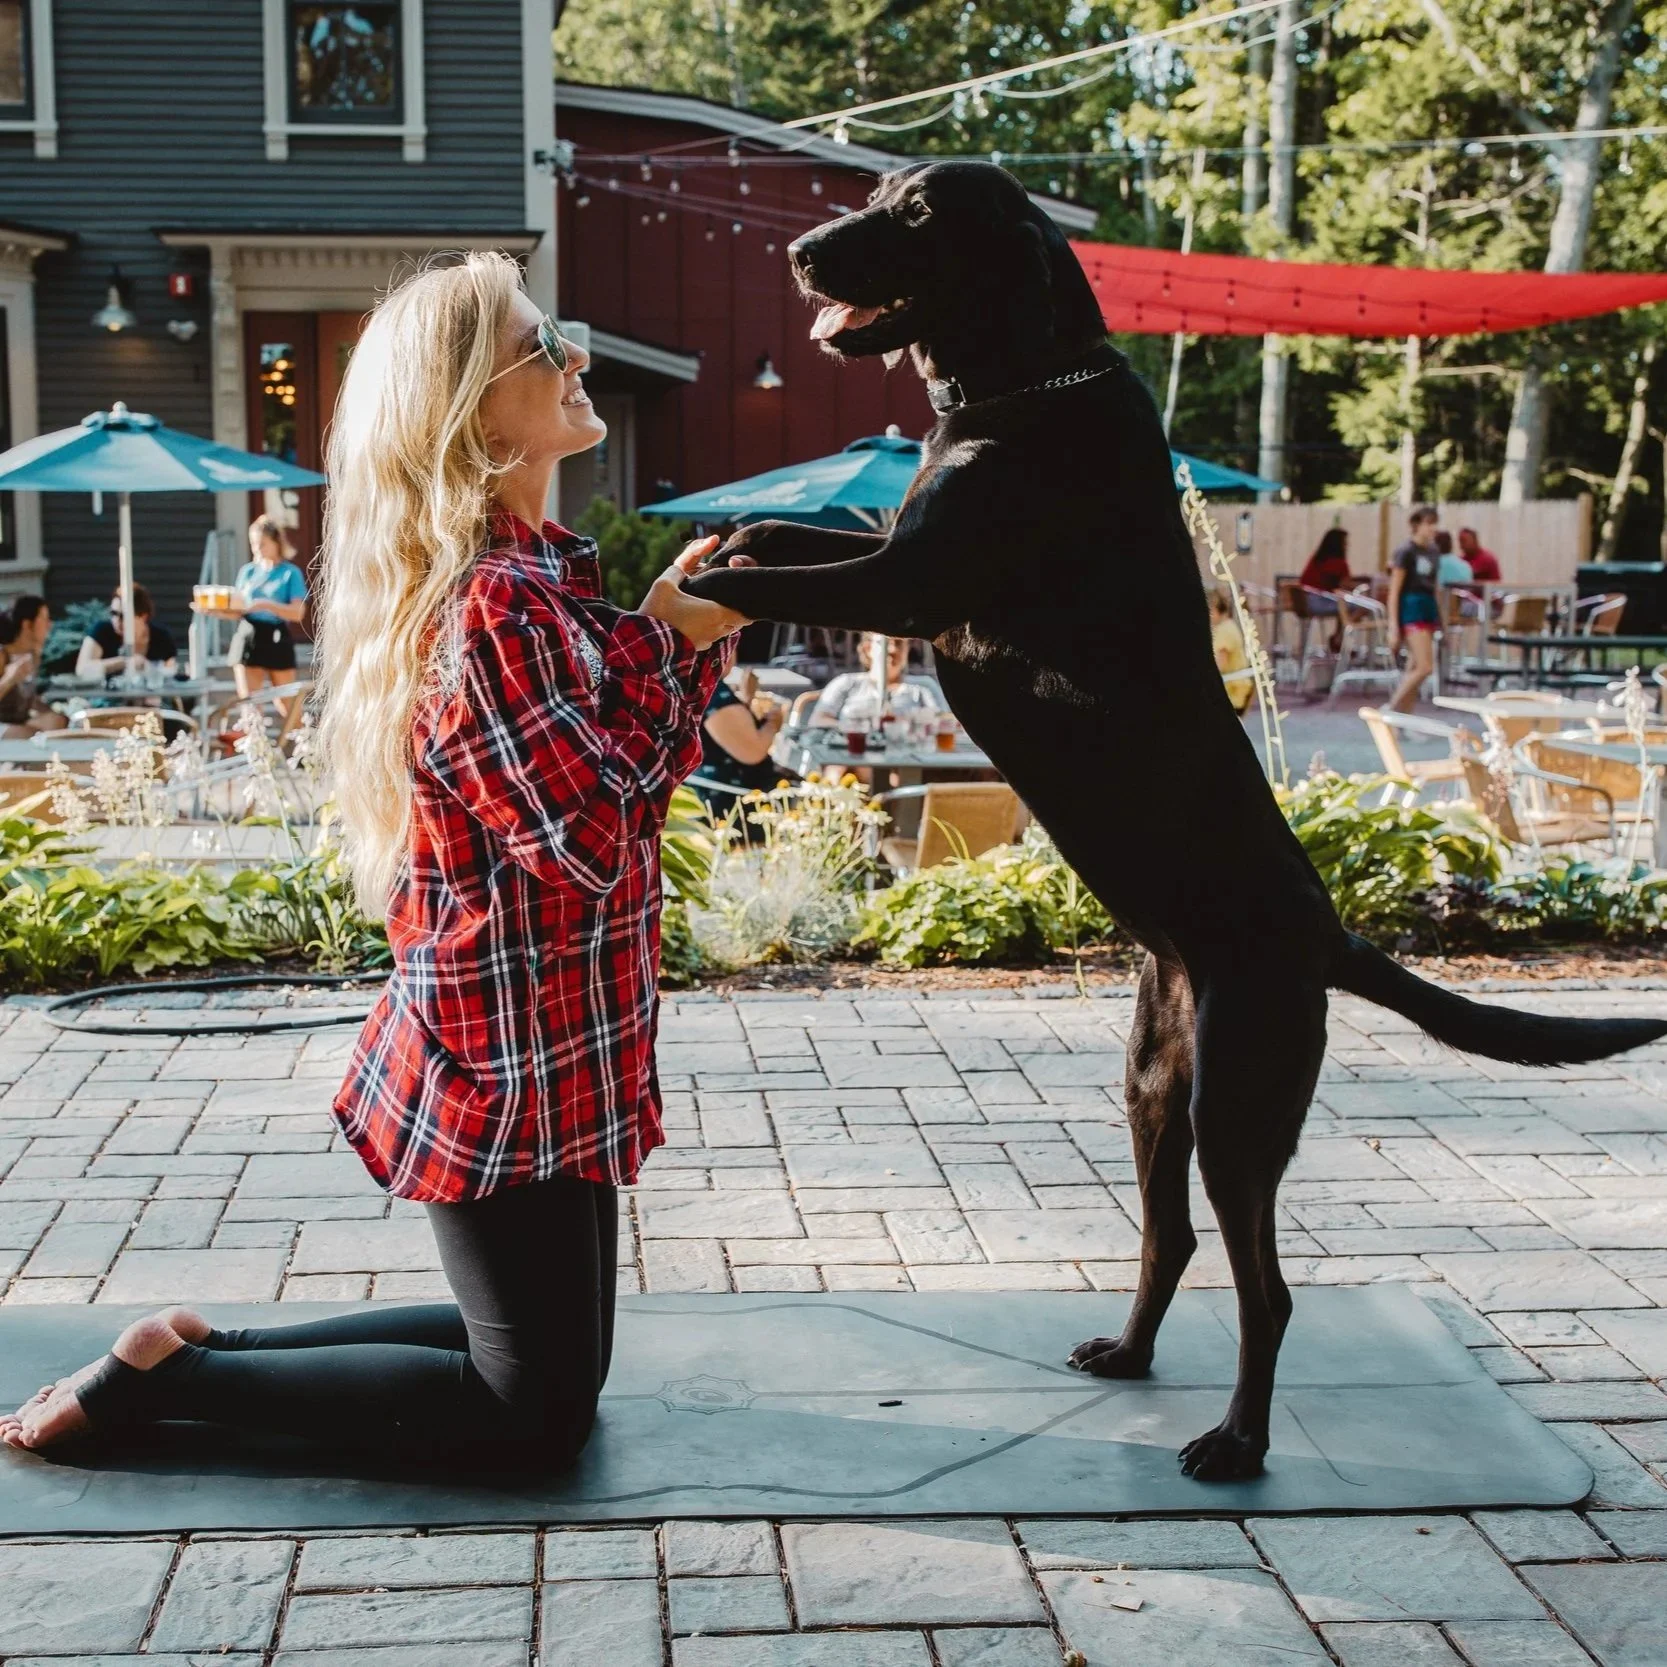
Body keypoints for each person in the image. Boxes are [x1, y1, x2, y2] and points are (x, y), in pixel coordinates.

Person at [1, 252, 748, 1466]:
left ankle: (187, 1354)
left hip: (550, 1038)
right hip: (507, 1052)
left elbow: (607, 768)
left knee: (551, 1374)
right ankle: (167, 1378)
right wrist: (673, 643)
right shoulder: (492, 602)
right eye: (538, 341)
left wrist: (666, 629)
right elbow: (595, 846)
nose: (576, 356)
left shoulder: (543, 581)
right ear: (465, 411)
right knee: (535, 1415)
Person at [196, 516, 309, 697]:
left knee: (286, 703)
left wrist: (267, 605)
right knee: (249, 704)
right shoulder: (248, 572)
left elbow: (298, 613)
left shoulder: (290, 573)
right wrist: (217, 611)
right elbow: (239, 611)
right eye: (253, 544)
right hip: (248, 635)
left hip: (276, 637)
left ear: (276, 542)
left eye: (262, 544)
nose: (257, 549)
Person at [697, 667, 789, 818]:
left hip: (711, 792)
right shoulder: (713, 692)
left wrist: (747, 698)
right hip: (731, 802)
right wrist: (773, 724)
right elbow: (753, 752)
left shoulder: (696, 683)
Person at [811, 634, 941, 728]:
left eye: (899, 644)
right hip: (855, 756)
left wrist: (908, 722)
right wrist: (859, 729)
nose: (893, 650)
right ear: (868, 648)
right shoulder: (846, 683)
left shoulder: (923, 686)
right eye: (885, 644)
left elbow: (946, 721)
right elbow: (818, 720)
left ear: (907, 649)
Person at [1387, 504, 1442, 713]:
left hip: (1428, 607)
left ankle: (1404, 719)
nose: (1432, 528)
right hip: (1412, 607)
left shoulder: (1434, 552)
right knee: (1425, 667)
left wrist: (1440, 619)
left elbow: (1435, 587)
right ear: (1416, 525)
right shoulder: (1405, 551)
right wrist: (1393, 626)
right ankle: (1390, 710)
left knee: (1413, 667)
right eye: (1428, 524)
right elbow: (1395, 590)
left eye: (1434, 524)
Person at [76, 583, 178, 681]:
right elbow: (82, 670)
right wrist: (125, 662)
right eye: (113, 613)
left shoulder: (160, 636)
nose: (117, 620)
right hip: (107, 696)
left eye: (124, 616)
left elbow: (172, 669)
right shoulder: (102, 630)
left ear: (143, 616)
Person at [0, 596, 67, 738]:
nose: (50, 625)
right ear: (27, 624)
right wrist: (9, 679)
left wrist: (57, 713)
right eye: (44, 619)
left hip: (17, 723)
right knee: (33, 736)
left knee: (58, 722)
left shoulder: (32, 655)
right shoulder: (2, 654)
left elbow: (28, 699)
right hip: (4, 726)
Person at [1209, 589, 1255, 714]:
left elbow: (1219, 666)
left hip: (1231, 692)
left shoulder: (1224, 631)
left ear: (1214, 609)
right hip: (1236, 689)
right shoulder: (1228, 626)